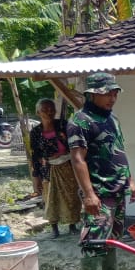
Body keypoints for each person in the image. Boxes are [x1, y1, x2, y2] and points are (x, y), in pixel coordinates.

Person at [67, 72, 135, 270]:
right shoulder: (80, 121)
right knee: (94, 240)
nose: (112, 97)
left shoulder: (112, 119)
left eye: (114, 92)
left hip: (118, 188)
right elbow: (78, 159)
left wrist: (130, 180)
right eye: (106, 93)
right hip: (99, 190)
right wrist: (89, 194)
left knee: (114, 236)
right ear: (91, 94)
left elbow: (120, 150)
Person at [29, 98, 81, 239]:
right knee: (51, 199)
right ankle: (55, 229)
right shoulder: (35, 132)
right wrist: (36, 178)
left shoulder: (64, 125)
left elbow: (75, 143)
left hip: (68, 167)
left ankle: (72, 225)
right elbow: (35, 156)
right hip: (49, 170)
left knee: (72, 197)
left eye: (52, 109)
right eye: (45, 110)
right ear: (38, 112)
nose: (49, 112)